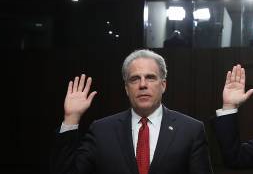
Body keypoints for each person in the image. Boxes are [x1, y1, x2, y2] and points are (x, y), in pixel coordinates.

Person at [51, 49, 213, 174]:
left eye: (150, 77)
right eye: (134, 79)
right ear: (127, 88)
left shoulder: (191, 130)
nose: (143, 85)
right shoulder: (101, 131)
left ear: (163, 85)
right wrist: (71, 119)